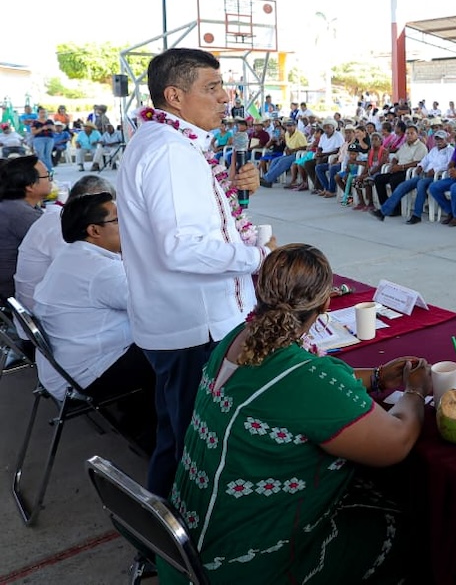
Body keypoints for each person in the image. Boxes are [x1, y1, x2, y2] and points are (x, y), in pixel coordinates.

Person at [160, 244, 431, 584]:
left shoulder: (237, 338)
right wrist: (415, 391)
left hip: (180, 554)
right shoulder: (301, 377)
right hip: (237, 569)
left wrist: (376, 377)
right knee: (403, 527)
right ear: (327, 303)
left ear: (260, 292)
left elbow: (312, 385)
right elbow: (397, 442)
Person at [118, 48, 276, 497]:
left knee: (179, 434)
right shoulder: (171, 152)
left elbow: (197, 224)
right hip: (195, 327)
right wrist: (259, 257)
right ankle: (179, 549)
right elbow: (183, 247)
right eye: (211, 88)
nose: (225, 97)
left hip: (180, 321)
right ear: (175, 96)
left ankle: (166, 542)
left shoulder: (168, 142)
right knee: (196, 444)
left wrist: (231, 194)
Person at [33, 192, 156, 449]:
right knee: (178, 351)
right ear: (94, 230)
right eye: (119, 220)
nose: (128, 225)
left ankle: (142, 418)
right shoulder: (100, 270)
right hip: (86, 374)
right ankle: (156, 435)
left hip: (65, 367)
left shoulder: (74, 255)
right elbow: (155, 304)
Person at [15, 175, 113, 313]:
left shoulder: (60, 219)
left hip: (40, 309)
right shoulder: (61, 225)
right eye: (114, 218)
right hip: (43, 316)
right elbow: (88, 272)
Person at [373, 129, 454, 224]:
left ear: (446, 140)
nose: (439, 142)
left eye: (441, 139)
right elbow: (425, 160)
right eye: (437, 139)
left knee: (421, 184)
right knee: (403, 186)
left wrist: (435, 170)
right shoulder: (434, 150)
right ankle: (383, 212)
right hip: (425, 175)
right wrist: (421, 166)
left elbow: (450, 164)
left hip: (438, 177)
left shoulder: (450, 150)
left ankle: (417, 215)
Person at [0, 156, 50, 301]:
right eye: (47, 176)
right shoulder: (19, 213)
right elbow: (63, 243)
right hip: (12, 292)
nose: (50, 180)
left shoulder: (12, 205)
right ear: (30, 185)